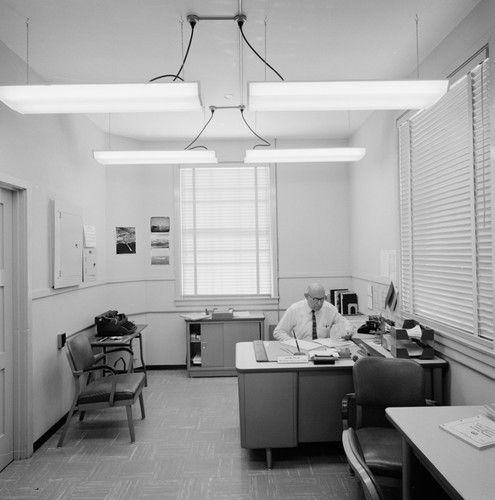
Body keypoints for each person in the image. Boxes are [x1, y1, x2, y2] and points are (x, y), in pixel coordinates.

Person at [273, 283, 353, 341]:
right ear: (306, 296)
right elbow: (278, 332)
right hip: (302, 350)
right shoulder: (294, 310)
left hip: (325, 351)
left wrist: (347, 332)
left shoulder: (330, 309)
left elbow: (346, 324)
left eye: (322, 299)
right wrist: (294, 342)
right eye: (316, 299)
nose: (319, 303)